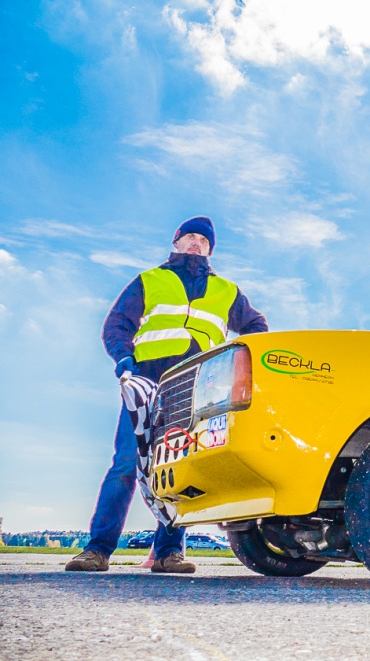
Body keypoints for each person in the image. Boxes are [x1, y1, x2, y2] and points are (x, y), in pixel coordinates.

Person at [66, 217, 268, 573]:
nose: (196, 243)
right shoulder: (150, 280)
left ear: (210, 249)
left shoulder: (227, 291)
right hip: (147, 382)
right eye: (189, 237)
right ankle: (97, 549)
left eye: (203, 240)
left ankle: (168, 552)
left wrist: (232, 362)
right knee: (126, 464)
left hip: (194, 390)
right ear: (176, 243)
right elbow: (116, 324)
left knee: (180, 470)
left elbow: (256, 328)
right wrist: (123, 357)